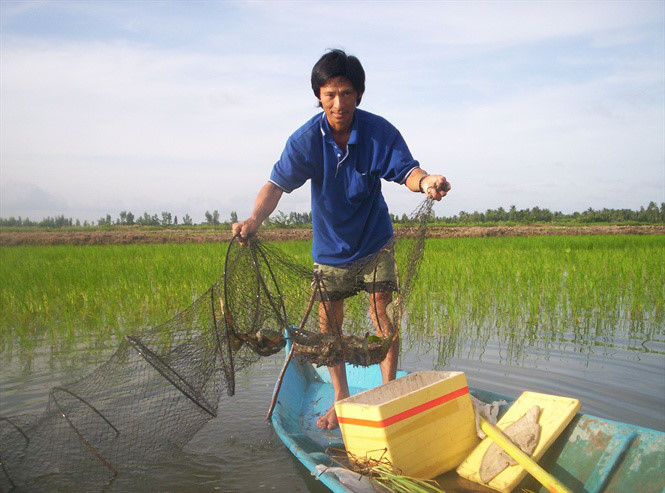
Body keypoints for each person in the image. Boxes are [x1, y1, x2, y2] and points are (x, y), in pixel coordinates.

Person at [232, 49, 451, 429]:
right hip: (330, 247)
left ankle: (388, 391)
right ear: (319, 96)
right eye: (330, 94)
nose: (338, 103)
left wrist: (427, 182)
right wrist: (254, 219)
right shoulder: (305, 140)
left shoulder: (378, 132)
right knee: (328, 325)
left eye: (347, 93)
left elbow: (408, 171)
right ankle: (341, 397)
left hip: (374, 239)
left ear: (358, 95)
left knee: (381, 311)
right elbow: (276, 185)